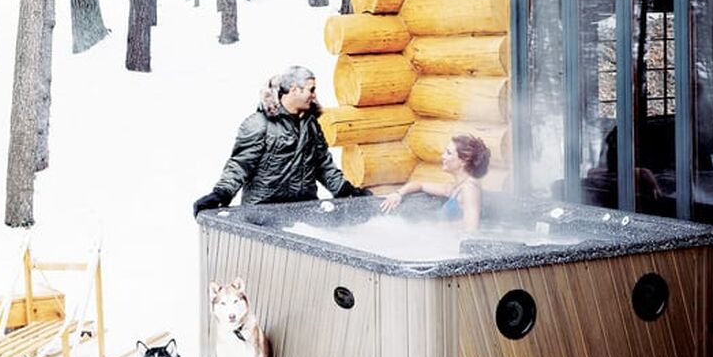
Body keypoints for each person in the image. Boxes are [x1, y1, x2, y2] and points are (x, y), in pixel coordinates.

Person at [193, 66, 371, 217]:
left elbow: (323, 165)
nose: (314, 95)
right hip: (264, 215)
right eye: (311, 89)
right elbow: (240, 165)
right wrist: (221, 194)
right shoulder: (259, 124)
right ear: (294, 89)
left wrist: (346, 191)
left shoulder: (311, 125)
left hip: (303, 211)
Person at [380, 134, 491, 230]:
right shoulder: (455, 188)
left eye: (448, 153)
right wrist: (398, 194)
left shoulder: (469, 189)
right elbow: (420, 185)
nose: (443, 156)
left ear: (463, 161)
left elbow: (471, 229)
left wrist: (434, 227)